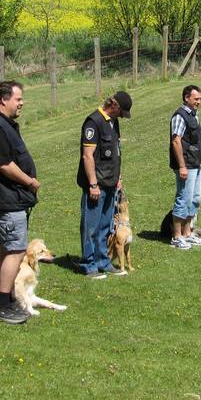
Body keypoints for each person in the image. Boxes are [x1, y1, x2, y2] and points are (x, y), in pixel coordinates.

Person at [0, 81, 41, 324]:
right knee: (14, 251)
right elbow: (4, 164)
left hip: (12, 199)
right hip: (6, 200)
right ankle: (2, 306)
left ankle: (3, 297)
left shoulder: (4, 124)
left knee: (9, 249)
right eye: (18, 99)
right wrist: (29, 181)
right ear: (3, 100)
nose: (22, 103)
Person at [77, 90, 133, 279]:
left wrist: (118, 177)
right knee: (91, 227)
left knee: (105, 227)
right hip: (97, 185)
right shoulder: (93, 123)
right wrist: (93, 184)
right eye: (121, 112)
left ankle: (103, 261)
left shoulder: (113, 122)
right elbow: (87, 156)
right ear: (114, 105)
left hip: (111, 183)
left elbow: (115, 152)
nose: (122, 116)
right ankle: (89, 264)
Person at [169, 84, 201, 249]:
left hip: (195, 163)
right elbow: (176, 141)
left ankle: (187, 234)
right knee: (183, 198)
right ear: (186, 98)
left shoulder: (194, 115)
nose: (199, 102)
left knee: (194, 199)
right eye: (196, 98)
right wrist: (182, 166)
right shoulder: (180, 116)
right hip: (186, 165)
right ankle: (176, 237)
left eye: (200, 99)